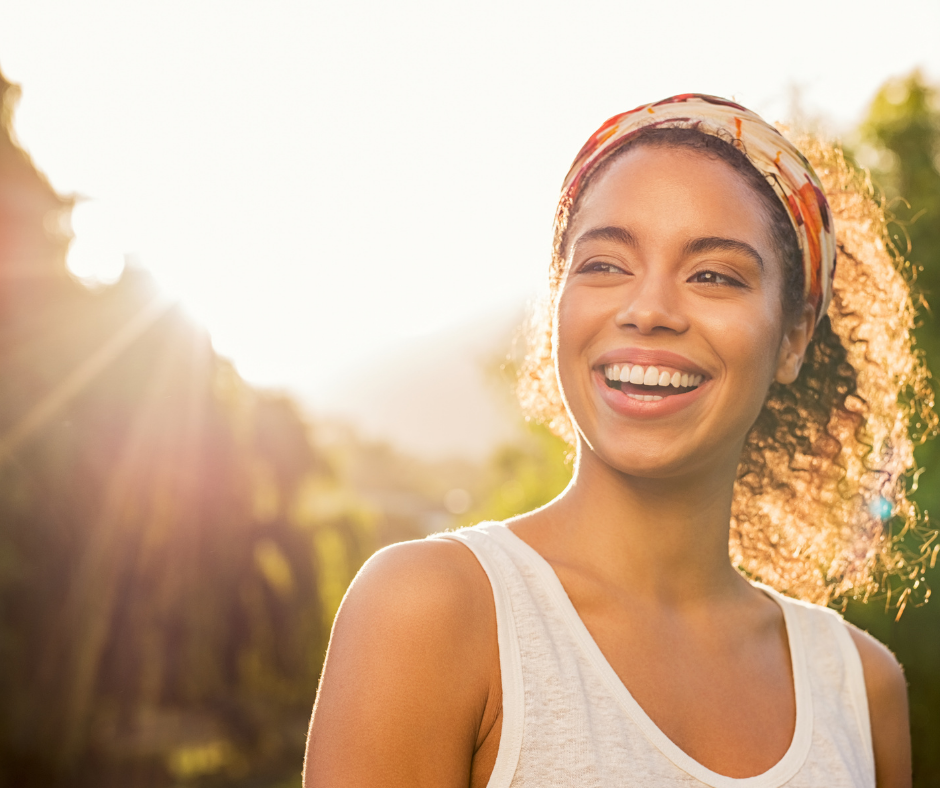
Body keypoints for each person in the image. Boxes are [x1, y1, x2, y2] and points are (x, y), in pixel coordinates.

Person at [303, 94, 930, 787]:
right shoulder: (431, 610)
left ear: (793, 337)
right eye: (605, 265)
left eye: (714, 275)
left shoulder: (860, 689)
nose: (649, 310)